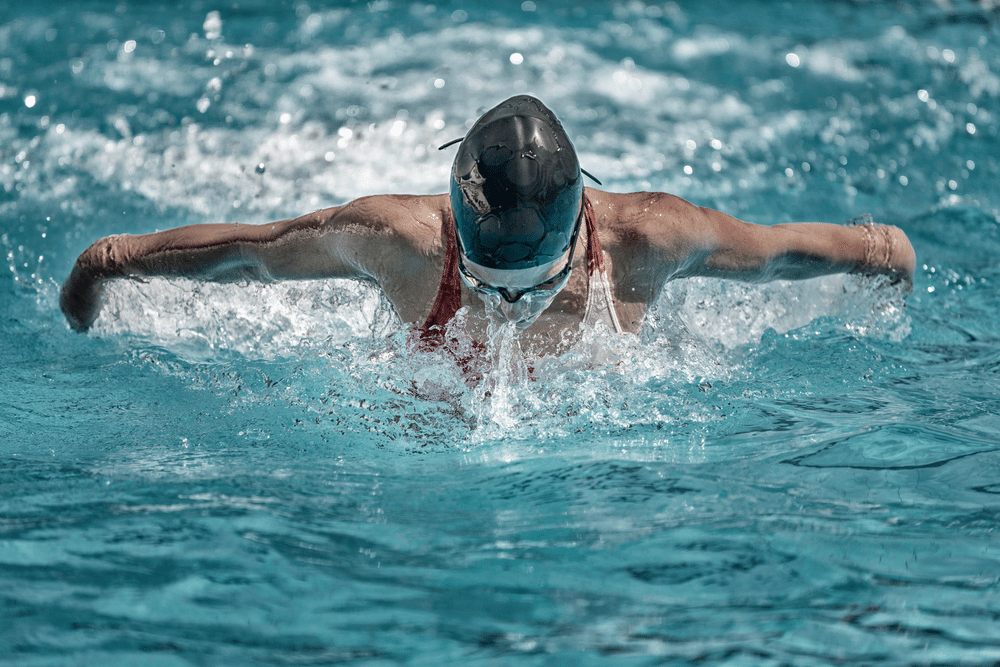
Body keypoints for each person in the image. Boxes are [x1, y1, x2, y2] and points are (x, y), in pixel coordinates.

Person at [60, 95, 915, 355]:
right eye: (483, 281)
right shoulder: (399, 240)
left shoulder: (650, 239)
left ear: (585, 227)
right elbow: (250, 250)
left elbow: (781, 254)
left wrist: (887, 256)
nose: (503, 308)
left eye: (528, 286)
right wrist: (107, 262)